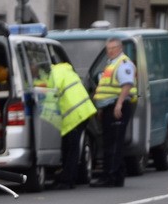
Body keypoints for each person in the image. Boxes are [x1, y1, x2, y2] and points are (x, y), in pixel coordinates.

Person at [91, 38, 137, 188]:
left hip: (118, 106)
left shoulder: (123, 63)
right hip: (109, 107)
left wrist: (119, 104)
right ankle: (116, 176)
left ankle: (110, 176)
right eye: (108, 49)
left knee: (114, 143)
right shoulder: (111, 64)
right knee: (110, 142)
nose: (110, 51)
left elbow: (127, 85)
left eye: (113, 48)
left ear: (120, 48)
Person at [47, 61, 97, 190]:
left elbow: (52, 93)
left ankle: (68, 180)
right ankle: (66, 177)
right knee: (69, 147)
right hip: (83, 111)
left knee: (71, 149)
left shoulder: (54, 73)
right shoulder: (64, 69)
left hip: (75, 115)